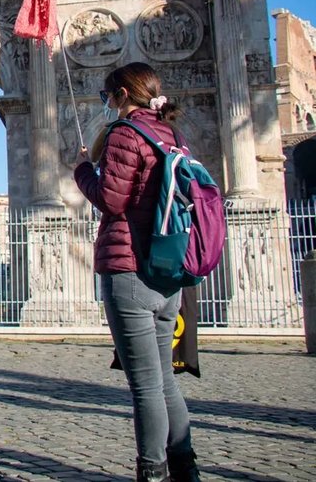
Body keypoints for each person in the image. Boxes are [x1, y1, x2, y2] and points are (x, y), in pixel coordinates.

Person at [74, 62, 201, 482]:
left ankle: (152, 473)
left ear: (123, 95)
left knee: (145, 386)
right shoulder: (173, 135)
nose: (107, 105)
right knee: (164, 379)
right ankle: (186, 469)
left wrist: (82, 171)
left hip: (128, 270)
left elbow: (111, 200)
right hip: (167, 271)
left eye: (107, 97)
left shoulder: (124, 133)